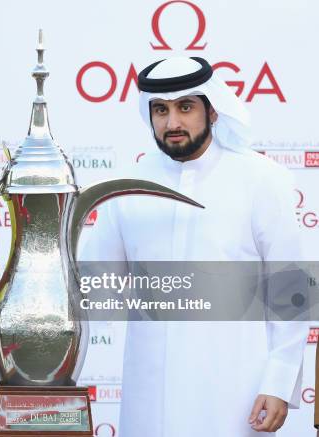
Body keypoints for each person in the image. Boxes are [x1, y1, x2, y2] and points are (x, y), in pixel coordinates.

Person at [81, 56, 307, 436]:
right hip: (149, 395)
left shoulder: (261, 179)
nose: (172, 123)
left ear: (212, 110)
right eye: (160, 109)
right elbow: (94, 287)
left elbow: (292, 287)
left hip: (236, 393)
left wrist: (279, 382)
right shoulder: (128, 183)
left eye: (185, 107)